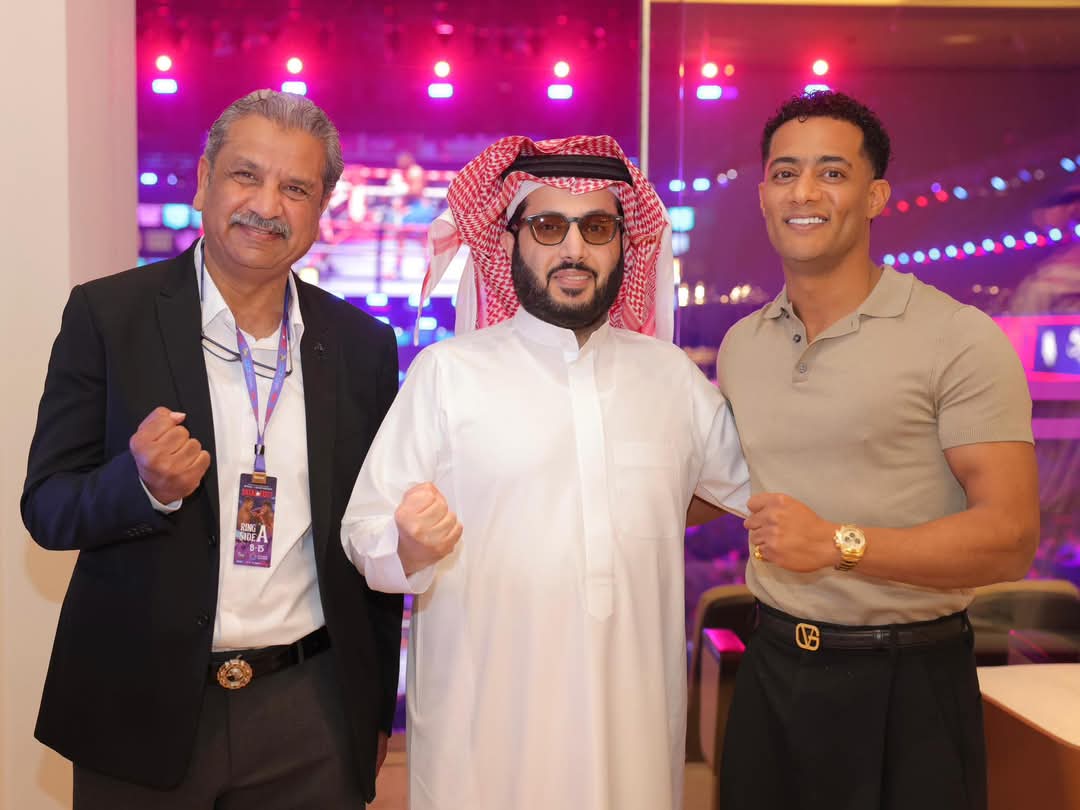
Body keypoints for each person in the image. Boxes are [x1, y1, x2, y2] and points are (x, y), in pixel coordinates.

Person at [340, 135, 750, 810]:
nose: (574, 249)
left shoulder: (670, 379)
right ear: (510, 242)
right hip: (487, 741)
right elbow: (365, 529)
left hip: (632, 734)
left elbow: (751, 489)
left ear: (625, 244)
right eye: (549, 226)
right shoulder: (448, 374)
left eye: (597, 228)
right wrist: (408, 543)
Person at [22, 89, 402, 808]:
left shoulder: (362, 347)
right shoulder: (109, 316)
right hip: (141, 708)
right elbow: (47, 507)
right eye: (245, 175)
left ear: (322, 209)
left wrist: (373, 707)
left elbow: (369, 536)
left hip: (311, 712)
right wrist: (140, 485)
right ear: (203, 180)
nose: (266, 205)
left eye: (296, 188)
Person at [713, 91, 1039, 810]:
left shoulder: (957, 337)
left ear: (875, 196)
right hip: (771, 671)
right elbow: (717, 484)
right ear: (763, 196)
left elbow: (1010, 537)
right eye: (785, 172)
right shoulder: (743, 345)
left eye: (831, 172)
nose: (804, 192)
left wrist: (838, 545)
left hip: (910, 682)